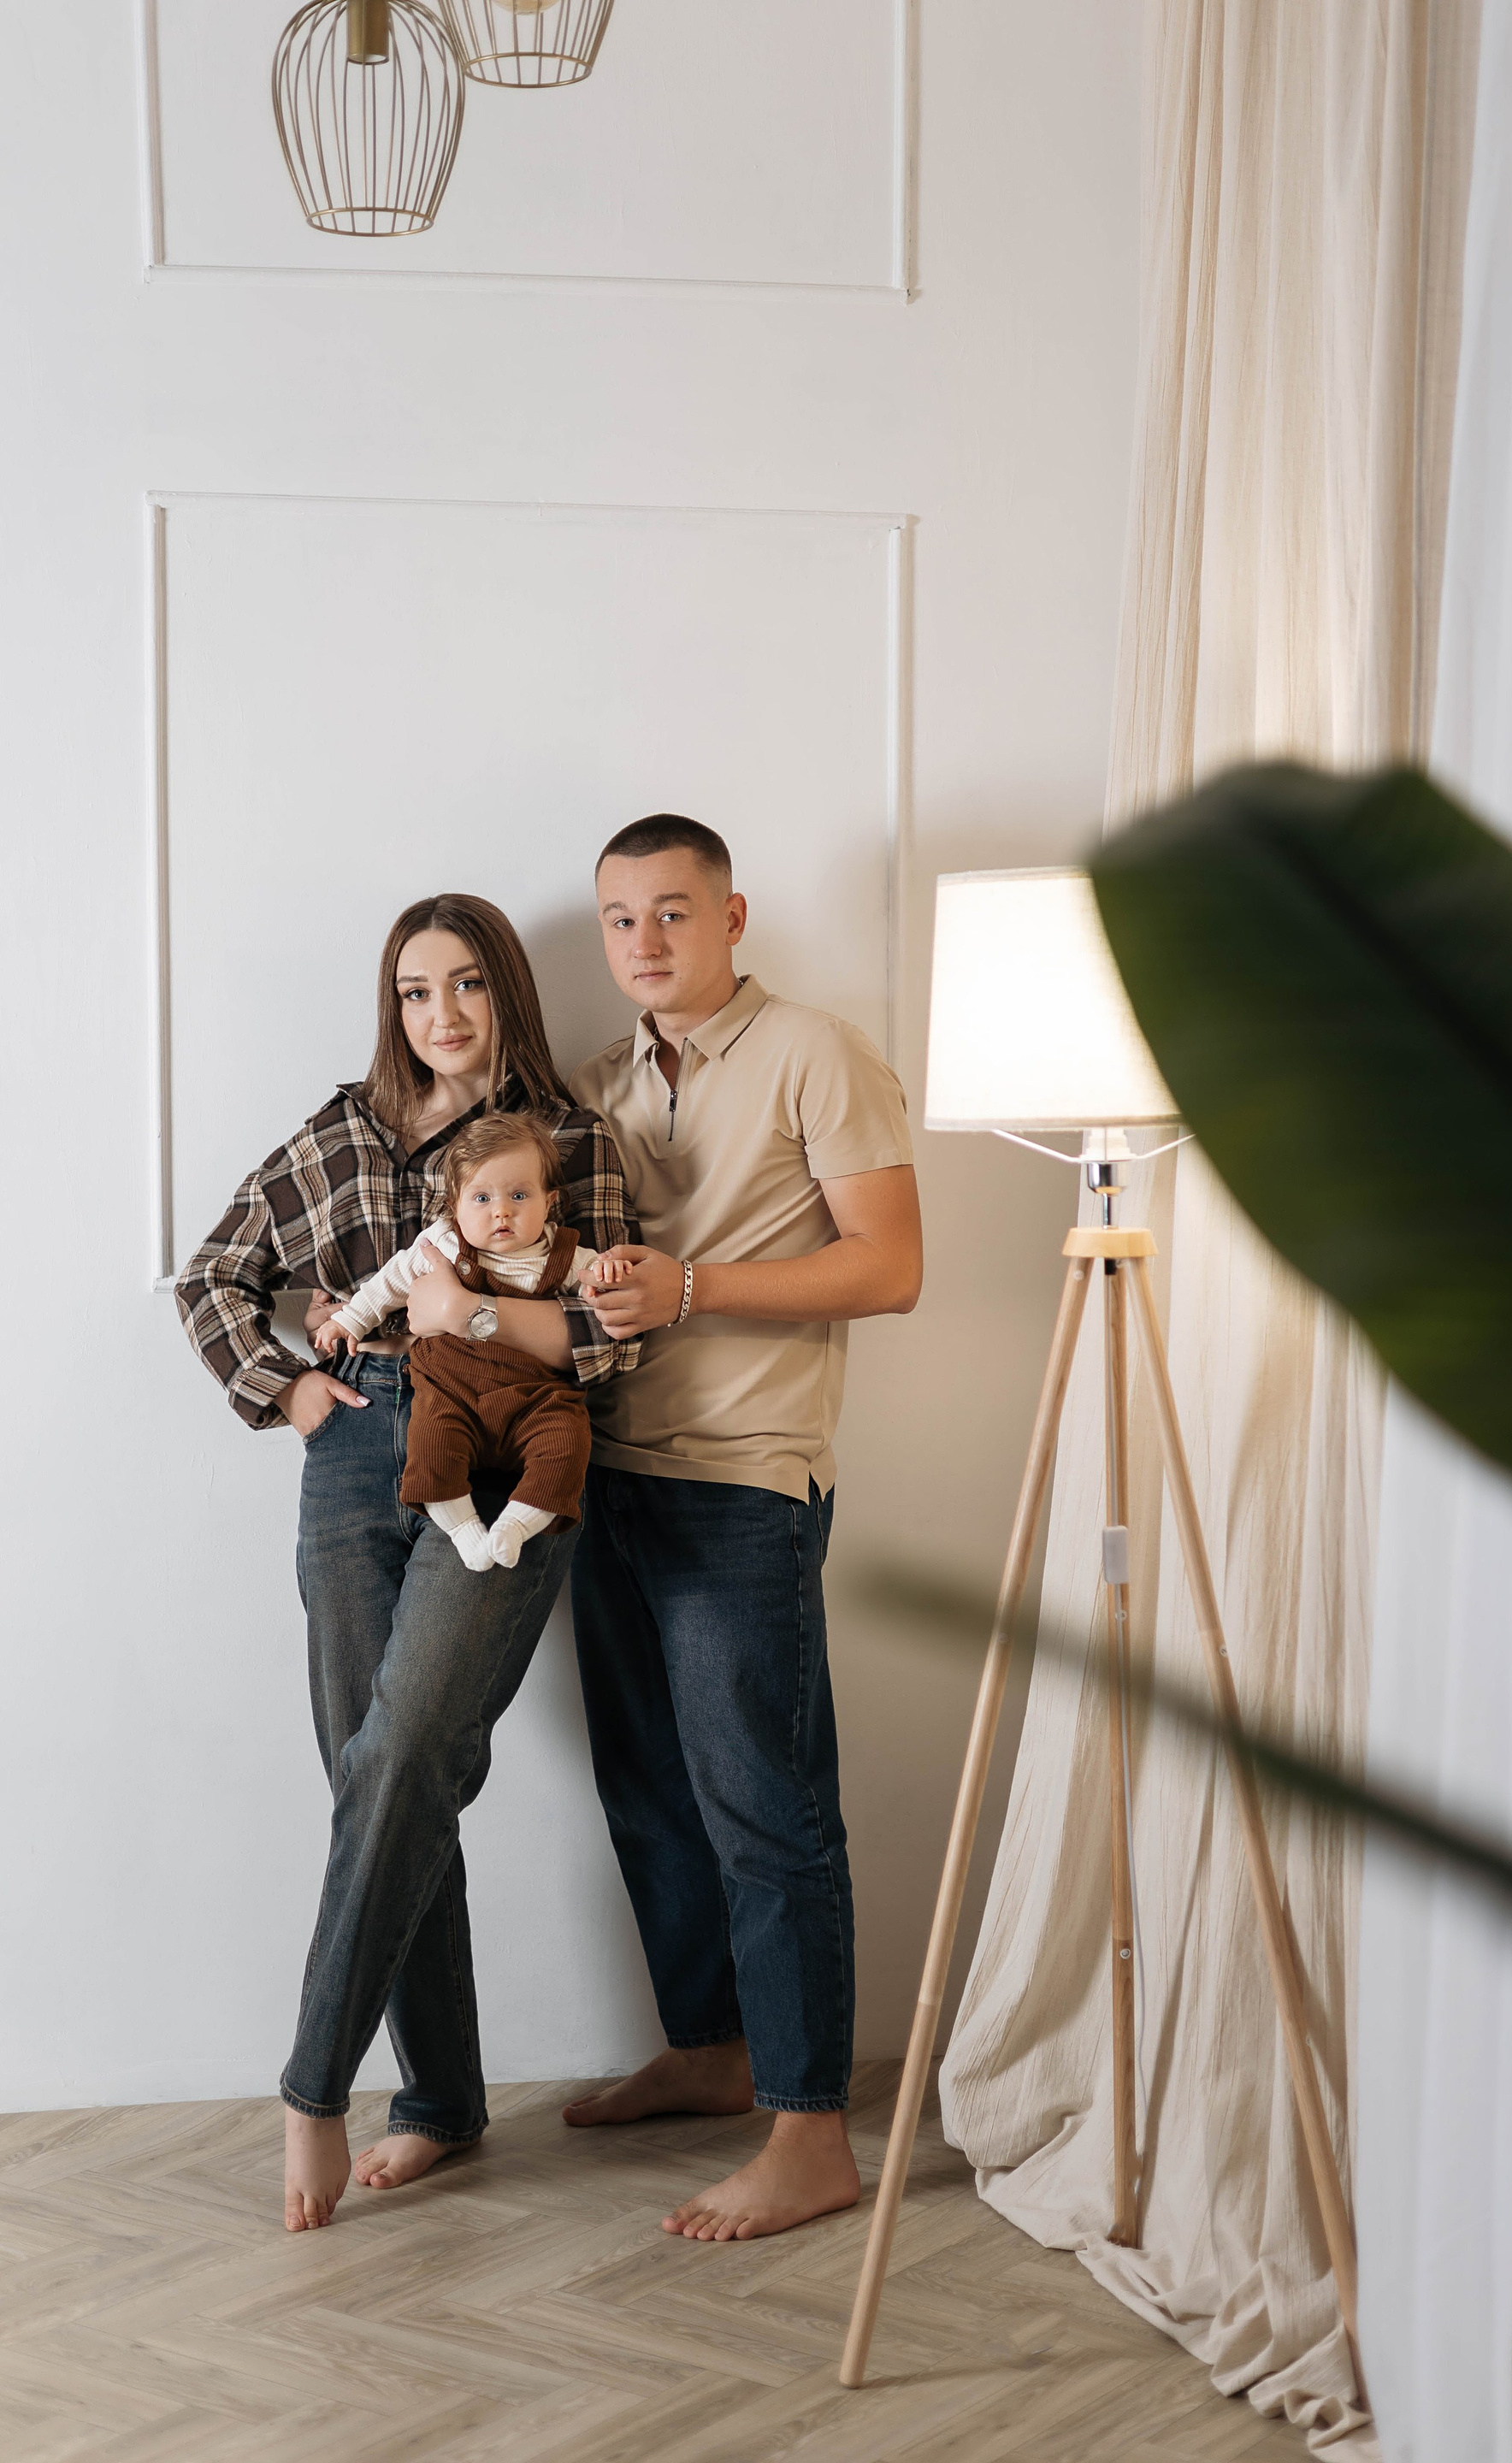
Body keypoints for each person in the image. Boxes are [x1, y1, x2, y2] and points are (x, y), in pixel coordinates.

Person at [176, 893, 639, 2231]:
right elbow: (215, 1275)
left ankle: (314, 2087)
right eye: (416, 991)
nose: (442, 1014)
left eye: (468, 984)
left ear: (507, 994)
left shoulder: (571, 1142)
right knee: (376, 1774)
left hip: (509, 1465)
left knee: (402, 1756)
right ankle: (439, 2100)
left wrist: (475, 1318)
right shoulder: (341, 1135)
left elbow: (613, 1339)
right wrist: (288, 1388)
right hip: (352, 1456)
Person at [564, 813, 924, 2242]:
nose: (644, 940)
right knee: (651, 1794)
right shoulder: (597, 1085)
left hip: (745, 1484)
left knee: (767, 1813)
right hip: (610, 1477)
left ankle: (811, 2132)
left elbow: (890, 1268)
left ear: (732, 916)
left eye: (672, 911)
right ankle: (712, 2053)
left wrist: (694, 1287)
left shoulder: (817, 1053)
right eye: (620, 918)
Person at [316, 1111, 613, 1572]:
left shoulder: (568, 1254)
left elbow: (600, 1289)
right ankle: (465, 1531)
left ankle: (516, 1524)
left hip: (535, 1395)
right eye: (482, 1198)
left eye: (519, 1196)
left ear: (549, 1201)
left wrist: (607, 1276)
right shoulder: (446, 1244)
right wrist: (350, 1320)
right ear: (455, 1205)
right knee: (432, 1447)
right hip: (451, 1388)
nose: (501, 1211)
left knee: (568, 1444)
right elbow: (391, 1281)